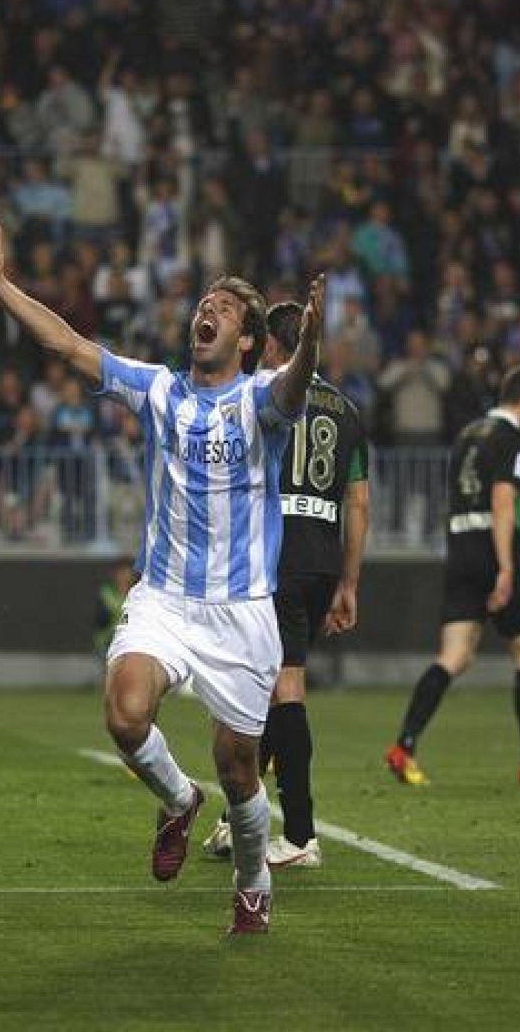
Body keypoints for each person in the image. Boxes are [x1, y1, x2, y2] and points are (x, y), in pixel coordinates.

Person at [0, 210, 322, 935]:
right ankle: (178, 800)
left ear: (247, 340)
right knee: (124, 712)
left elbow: (293, 384)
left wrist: (309, 337)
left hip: (244, 610)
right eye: (202, 305)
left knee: (241, 769)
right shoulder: (158, 389)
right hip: (164, 598)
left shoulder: (259, 399)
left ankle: (253, 884)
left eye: (222, 309)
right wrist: (0, 285)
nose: (205, 313)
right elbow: (66, 344)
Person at [202, 299, 371, 869]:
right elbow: (360, 502)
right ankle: (235, 821)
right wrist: (349, 581)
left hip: (274, 553)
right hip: (323, 556)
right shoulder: (348, 410)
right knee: (270, 688)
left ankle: (300, 835)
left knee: (282, 691)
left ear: (273, 346)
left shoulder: (263, 396)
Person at [383, 365, 520, 786]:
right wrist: (506, 567)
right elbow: (503, 502)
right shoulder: (513, 440)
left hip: (460, 546)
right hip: (494, 544)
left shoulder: (469, 434)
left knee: (454, 655)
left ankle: (405, 744)